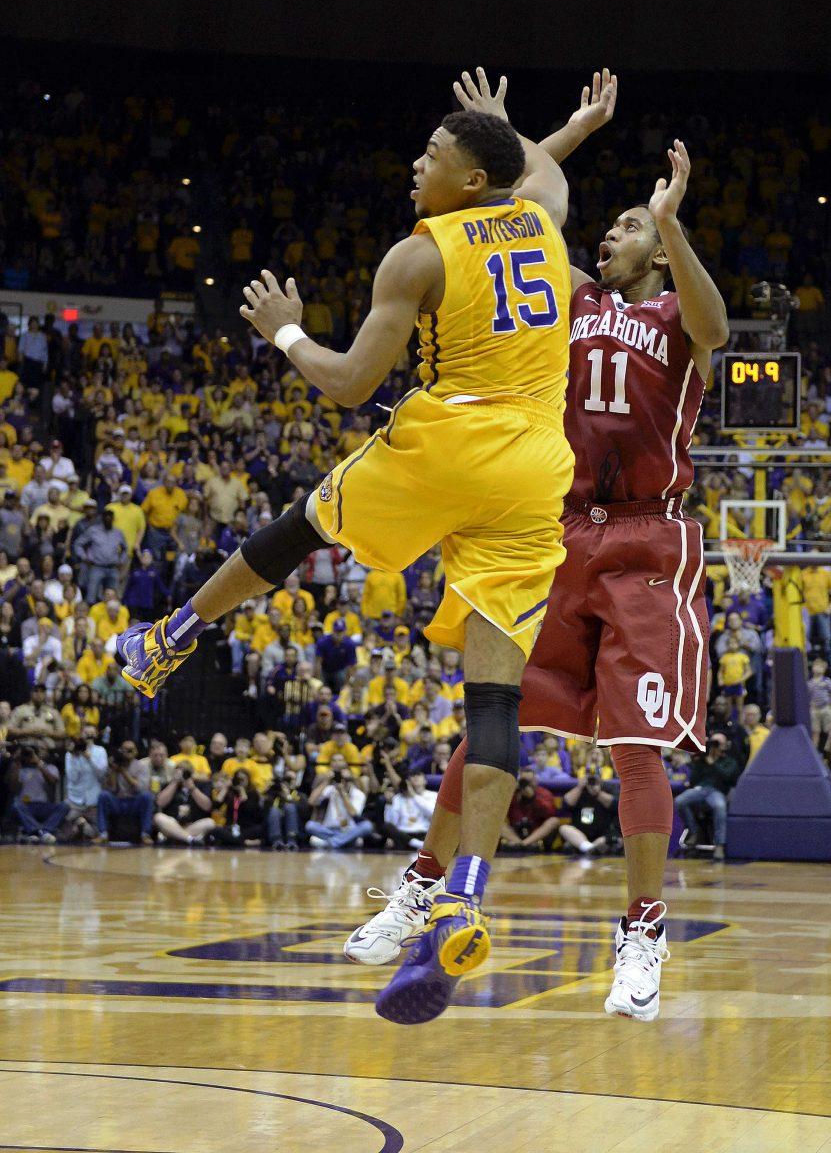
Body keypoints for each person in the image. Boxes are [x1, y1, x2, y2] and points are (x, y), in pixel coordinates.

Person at [116, 68, 578, 1023]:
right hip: (537, 463)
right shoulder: (542, 222)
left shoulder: (417, 256)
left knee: (300, 526)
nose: (417, 166)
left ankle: (170, 636)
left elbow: (348, 379)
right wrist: (504, 127)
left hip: (450, 438)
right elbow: (544, 177)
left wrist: (286, 332)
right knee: (494, 699)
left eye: (434, 157)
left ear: (468, 181)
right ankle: (466, 892)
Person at [346, 67, 730, 1026]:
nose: (609, 235)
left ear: (659, 249)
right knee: (493, 713)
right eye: (609, 228)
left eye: (627, 229)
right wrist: (514, 137)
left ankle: (641, 932)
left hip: (648, 539)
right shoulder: (565, 296)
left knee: (635, 749)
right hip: (555, 529)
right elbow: (503, 225)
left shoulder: (673, 315)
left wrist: (671, 222)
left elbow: (716, 324)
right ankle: (427, 884)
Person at [675, 733, 740, 861]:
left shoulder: (729, 761)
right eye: (713, 743)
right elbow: (693, 781)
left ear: (725, 746)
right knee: (679, 801)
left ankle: (720, 844)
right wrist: (698, 761)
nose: (715, 746)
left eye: (718, 743)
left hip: (717, 791)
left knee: (719, 806)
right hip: (700, 789)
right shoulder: (702, 760)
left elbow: (730, 779)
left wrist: (713, 763)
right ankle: (694, 831)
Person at [305, 753, 374, 849]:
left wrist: (343, 793)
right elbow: (311, 801)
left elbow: (354, 813)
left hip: (349, 831)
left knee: (367, 826)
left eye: (344, 779)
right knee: (310, 825)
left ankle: (334, 842)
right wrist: (326, 781)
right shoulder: (331, 789)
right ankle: (340, 841)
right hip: (329, 830)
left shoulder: (357, 793)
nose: (342, 781)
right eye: (340, 778)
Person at [500, 767, 561, 850]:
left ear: (535, 781)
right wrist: (514, 791)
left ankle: (525, 844)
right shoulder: (512, 794)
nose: (526, 784)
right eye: (524, 781)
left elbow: (549, 813)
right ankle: (520, 843)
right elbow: (500, 810)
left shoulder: (544, 793)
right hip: (515, 831)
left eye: (529, 781)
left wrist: (533, 798)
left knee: (554, 821)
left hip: (536, 832)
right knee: (496, 822)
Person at [559, 772, 618, 855]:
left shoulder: (607, 789)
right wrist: (579, 787)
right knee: (564, 828)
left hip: (602, 834)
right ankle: (588, 847)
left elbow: (615, 805)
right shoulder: (578, 791)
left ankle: (588, 848)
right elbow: (566, 805)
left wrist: (597, 793)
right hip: (580, 834)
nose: (591, 782)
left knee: (608, 839)